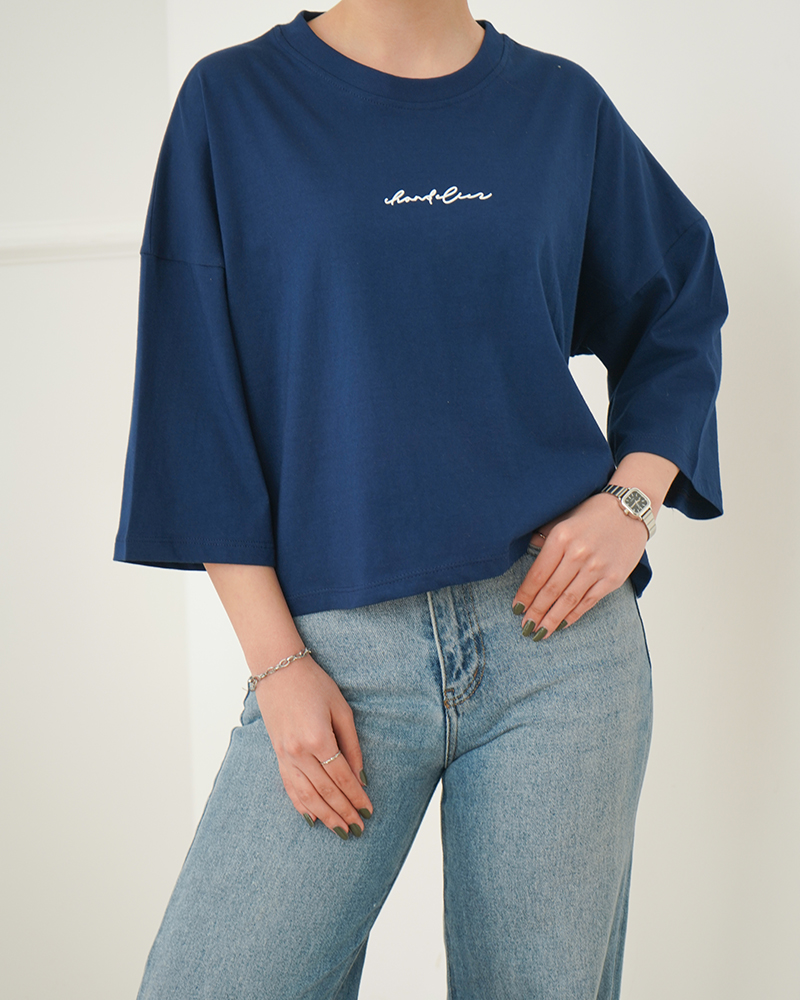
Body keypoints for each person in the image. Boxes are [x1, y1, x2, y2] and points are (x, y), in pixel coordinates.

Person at [114, 2, 727, 997]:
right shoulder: (234, 103)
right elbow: (197, 396)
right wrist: (277, 666)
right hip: (336, 657)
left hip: (560, 646)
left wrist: (632, 498)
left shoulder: (558, 106)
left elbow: (678, 300)